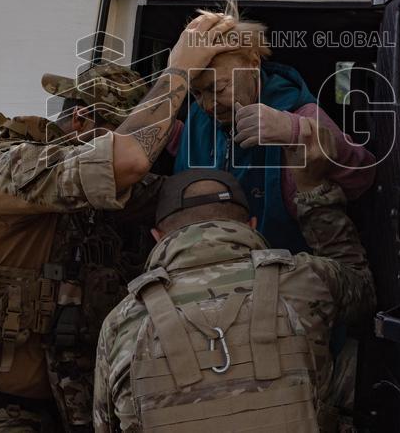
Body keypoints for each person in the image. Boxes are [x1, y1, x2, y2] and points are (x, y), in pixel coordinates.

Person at [0, 13, 238, 433]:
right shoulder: (7, 169)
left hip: (60, 409)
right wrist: (179, 68)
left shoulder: (82, 190)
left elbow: (180, 196)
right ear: (82, 119)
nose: (146, 154)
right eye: (119, 131)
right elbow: (131, 159)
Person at [94, 118, 374, 433]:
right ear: (251, 226)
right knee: (350, 356)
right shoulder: (306, 280)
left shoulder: (120, 323)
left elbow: (105, 425)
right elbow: (361, 286)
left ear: (158, 236)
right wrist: (312, 190)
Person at [173, 1, 375, 253]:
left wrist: (295, 132)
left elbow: (363, 176)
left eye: (218, 88)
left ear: (253, 63)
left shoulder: (301, 114)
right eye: (196, 93)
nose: (207, 105)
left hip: (286, 270)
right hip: (212, 263)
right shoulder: (197, 116)